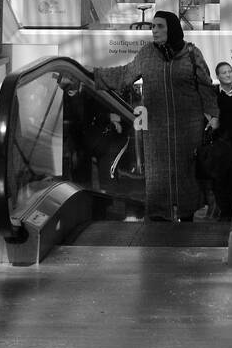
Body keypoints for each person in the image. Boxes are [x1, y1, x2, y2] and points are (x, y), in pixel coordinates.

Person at [92, 11, 217, 221]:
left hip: (188, 128)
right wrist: (94, 74)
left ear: (173, 28)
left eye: (160, 26)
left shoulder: (192, 54)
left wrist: (213, 114)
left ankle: (186, 216)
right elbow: (124, 75)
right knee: (158, 177)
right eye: (153, 26)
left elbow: (206, 86)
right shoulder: (146, 54)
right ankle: (159, 219)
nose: (154, 30)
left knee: (187, 175)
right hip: (157, 129)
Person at [210, 62, 232, 220]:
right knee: (221, 178)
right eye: (224, 73)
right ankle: (225, 212)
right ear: (217, 76)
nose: (228, 75)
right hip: (221, 143)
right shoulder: (213, 94)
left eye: (230, 71)